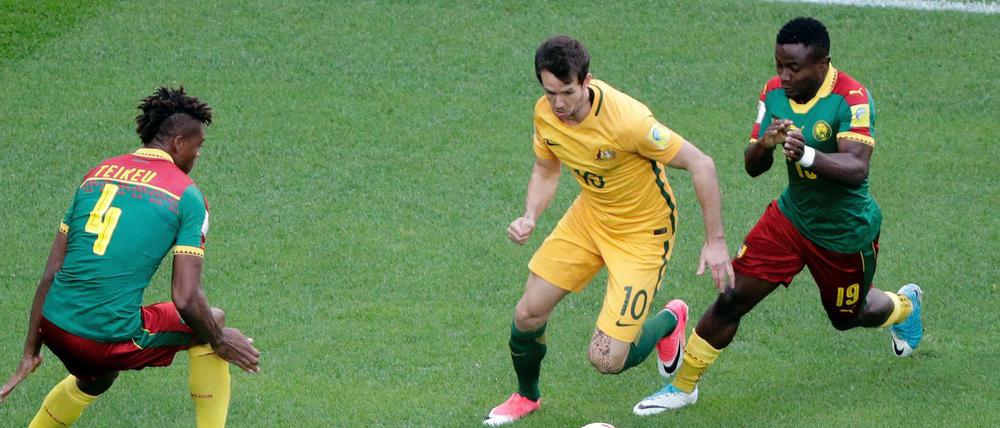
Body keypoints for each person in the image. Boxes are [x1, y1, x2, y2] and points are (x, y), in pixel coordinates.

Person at [633, 17, 924, 415]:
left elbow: (857, 167)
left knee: (848, 317)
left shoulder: (852, 97)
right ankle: (683, 387)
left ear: (823, 64)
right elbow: (753, 167)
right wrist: (766, 145)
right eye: (779, 66)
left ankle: (905, 305)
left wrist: (805, 154)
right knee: (732, 297)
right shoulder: (773, 93)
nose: (784, 76)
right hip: (790, 218)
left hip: (843, 233)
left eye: (795, 68)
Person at [484, 36, 734, 426]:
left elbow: (702, 164)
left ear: (587, 81)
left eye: (567, 92)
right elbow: (546, 170)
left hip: (642, 234)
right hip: (589, 217)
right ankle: (526, 396)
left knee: (605, 359)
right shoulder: (546, 114)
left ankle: (671, 320)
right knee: (528, 313)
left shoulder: (628, 121)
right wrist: (530, 215)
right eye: (550, 93)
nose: (559, 104)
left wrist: (715, 241)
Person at [0, 86, 261, 427]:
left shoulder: (96, 175)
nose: (197, 157)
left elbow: (51, 272)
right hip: (104, 337)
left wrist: (30, 353)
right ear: (179, 142)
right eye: (198, 147)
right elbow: (185, 297)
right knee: (213, 321)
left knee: (98, 377)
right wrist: (219, 339)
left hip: (54, 326)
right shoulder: (187, 196)